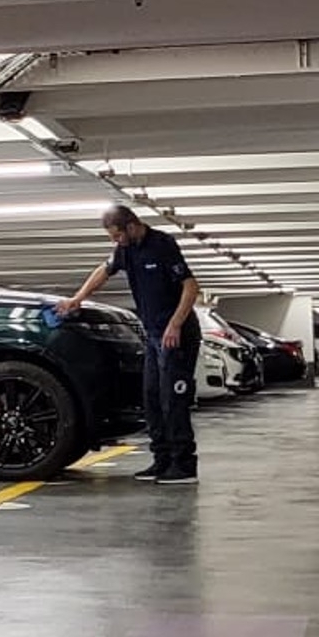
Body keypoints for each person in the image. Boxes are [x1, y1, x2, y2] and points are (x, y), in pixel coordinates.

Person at [62, 202, 203, 482]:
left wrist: (175, 325)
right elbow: (104, 270)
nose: (116, 242)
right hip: (153, 335)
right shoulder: (126, 250)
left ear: (131, 225)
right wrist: (77, 298)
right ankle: (162, 460)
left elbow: (191, 286)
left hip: (177, 335)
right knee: (151, 399)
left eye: (117, 235)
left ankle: (184, 465)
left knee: (172, 400)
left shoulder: (162, 244)